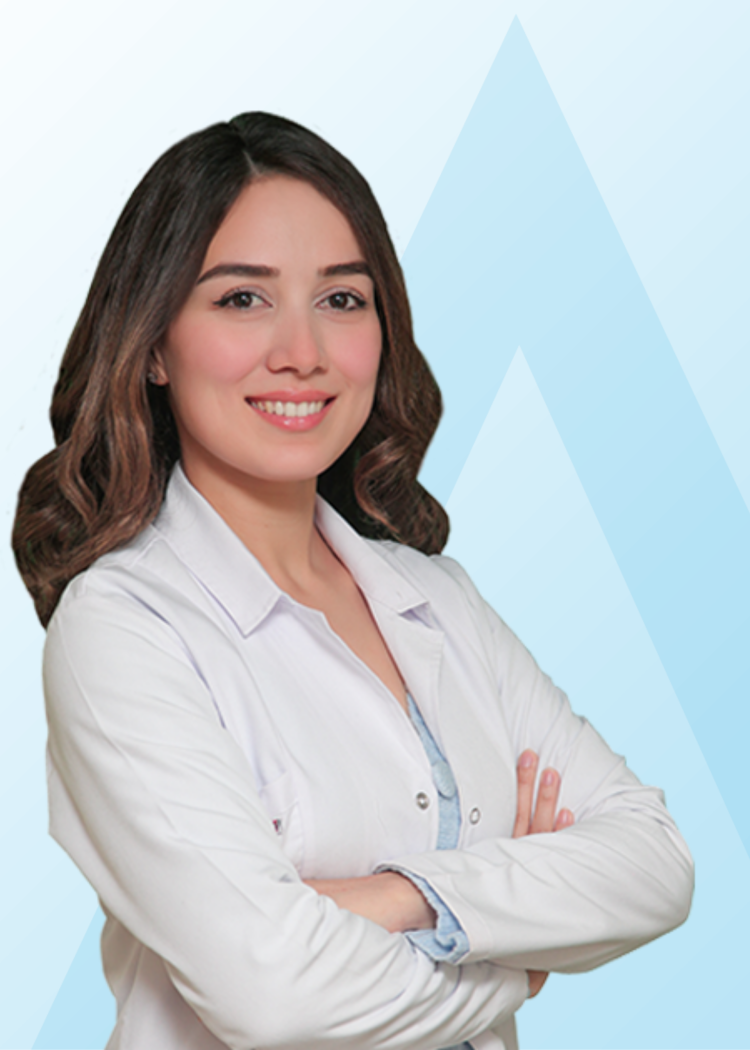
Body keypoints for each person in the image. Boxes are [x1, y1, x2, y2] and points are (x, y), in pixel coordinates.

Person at [12, 112, 693, 1050]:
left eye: (341, 299)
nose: (303, 352)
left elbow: (656, 862)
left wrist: (397, 898)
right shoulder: (122, 628)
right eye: (241, 299)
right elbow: (273, 995)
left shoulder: (437, 598)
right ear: (155, 345)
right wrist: (520, 955)